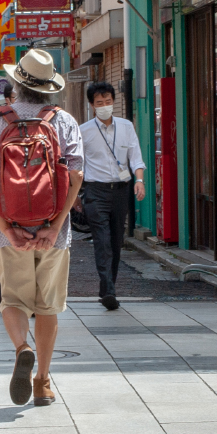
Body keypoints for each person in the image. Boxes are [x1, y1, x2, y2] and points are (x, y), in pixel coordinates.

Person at [0, 49, 84, 407]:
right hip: (54, 231)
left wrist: (7, 227)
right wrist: (54, 227)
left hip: (9, 230)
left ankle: (22, 348)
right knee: (48, 306)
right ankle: (42, 381)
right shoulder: (63, 121)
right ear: (49, 87)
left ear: (16, 83)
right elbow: (76, 175)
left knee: (12, 300)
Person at [77, 80, 144, 311]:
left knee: (116, 242)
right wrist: (76, 194)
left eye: (108, 101)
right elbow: (78, 164)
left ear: (114, 102)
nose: (104, 105)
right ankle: (109, 290)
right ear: (92, 105)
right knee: (102, 241)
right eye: (99, 102)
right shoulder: (84, 131)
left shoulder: (126, 127)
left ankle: (107, 288)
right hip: (95, 191)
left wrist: (140, 181)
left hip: (121, 191)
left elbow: (135, 156)